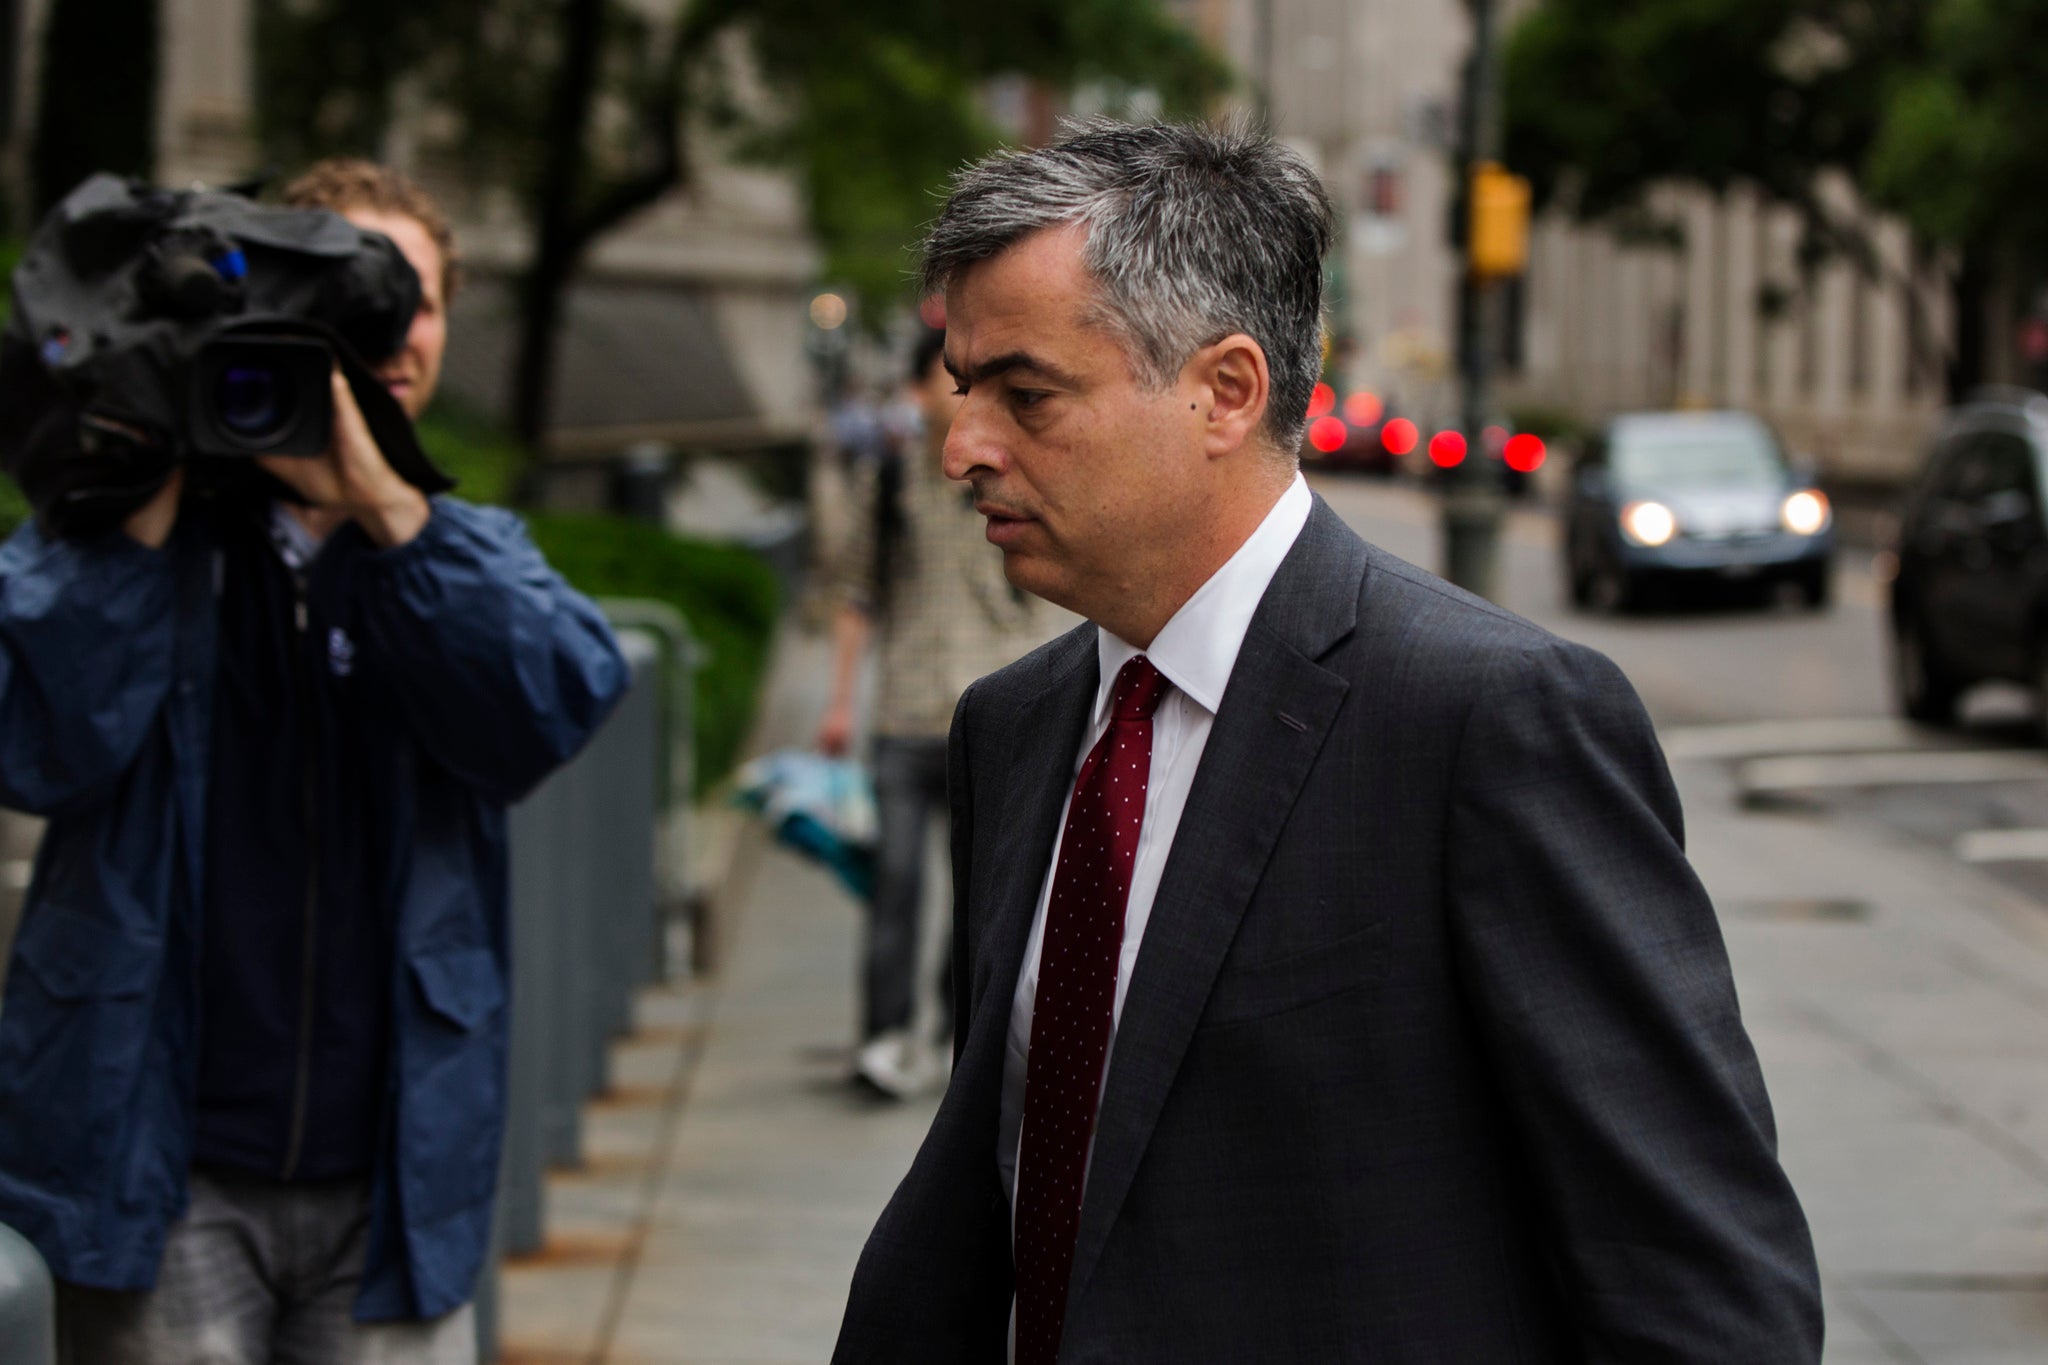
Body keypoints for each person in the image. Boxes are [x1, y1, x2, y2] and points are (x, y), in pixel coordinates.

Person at [832, 121, 1822, 1363]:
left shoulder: (1487, 718)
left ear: (1224, 393)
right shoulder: (1015, 727)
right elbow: (1016, 1170)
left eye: (1026, 396)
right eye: (965, 390)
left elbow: (1699, 1284)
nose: (960, 449)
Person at [0, 159, 628, 1364]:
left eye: (417, 296)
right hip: (155, 1170)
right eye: (349, 284)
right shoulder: (134, 526)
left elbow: (549, 705)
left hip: (394, 1179)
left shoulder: (455, 546)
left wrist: (390, 515)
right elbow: (29, 738)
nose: (388, 323)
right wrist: (145, 490)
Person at [816, 327, 1040, 1098]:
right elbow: (856, 593)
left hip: (993, 712)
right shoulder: (888, 482)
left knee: (981, 897)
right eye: (951, 385)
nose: (964, 407)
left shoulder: (1017, 475)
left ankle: (960, 1040)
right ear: (918, 393)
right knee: (896, 885)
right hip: (905, 715)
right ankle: (883, 1036)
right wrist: (841, 702)